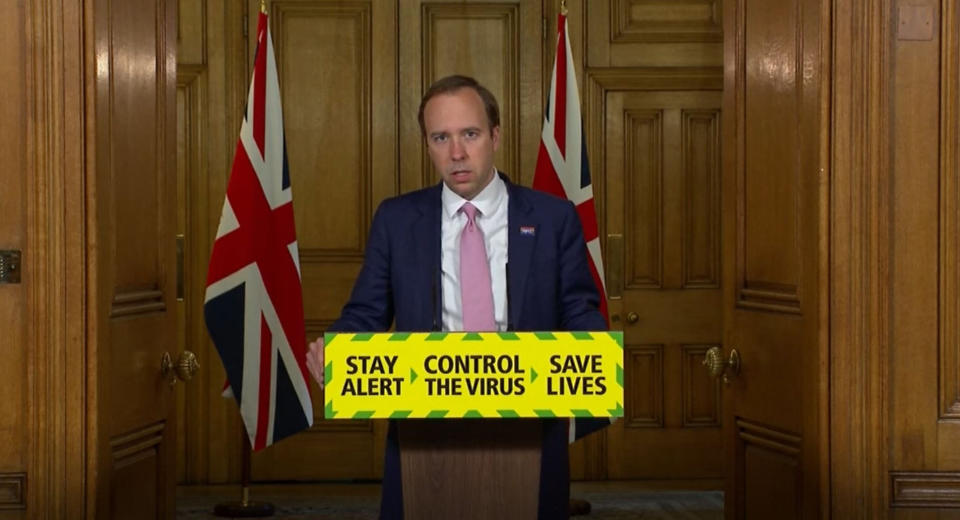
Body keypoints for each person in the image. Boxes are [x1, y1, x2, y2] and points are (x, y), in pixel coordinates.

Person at [305, 75, 607, 519]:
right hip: (424, 438)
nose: (457, 153)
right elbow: (365, 314)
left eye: (470, 134)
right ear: (427, 144)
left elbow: (580, 310)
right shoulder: (396, 219)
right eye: (441, 137)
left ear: (495, 136)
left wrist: (594, 354)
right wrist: (337, 350)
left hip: (527, 431)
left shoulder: (552, 218)